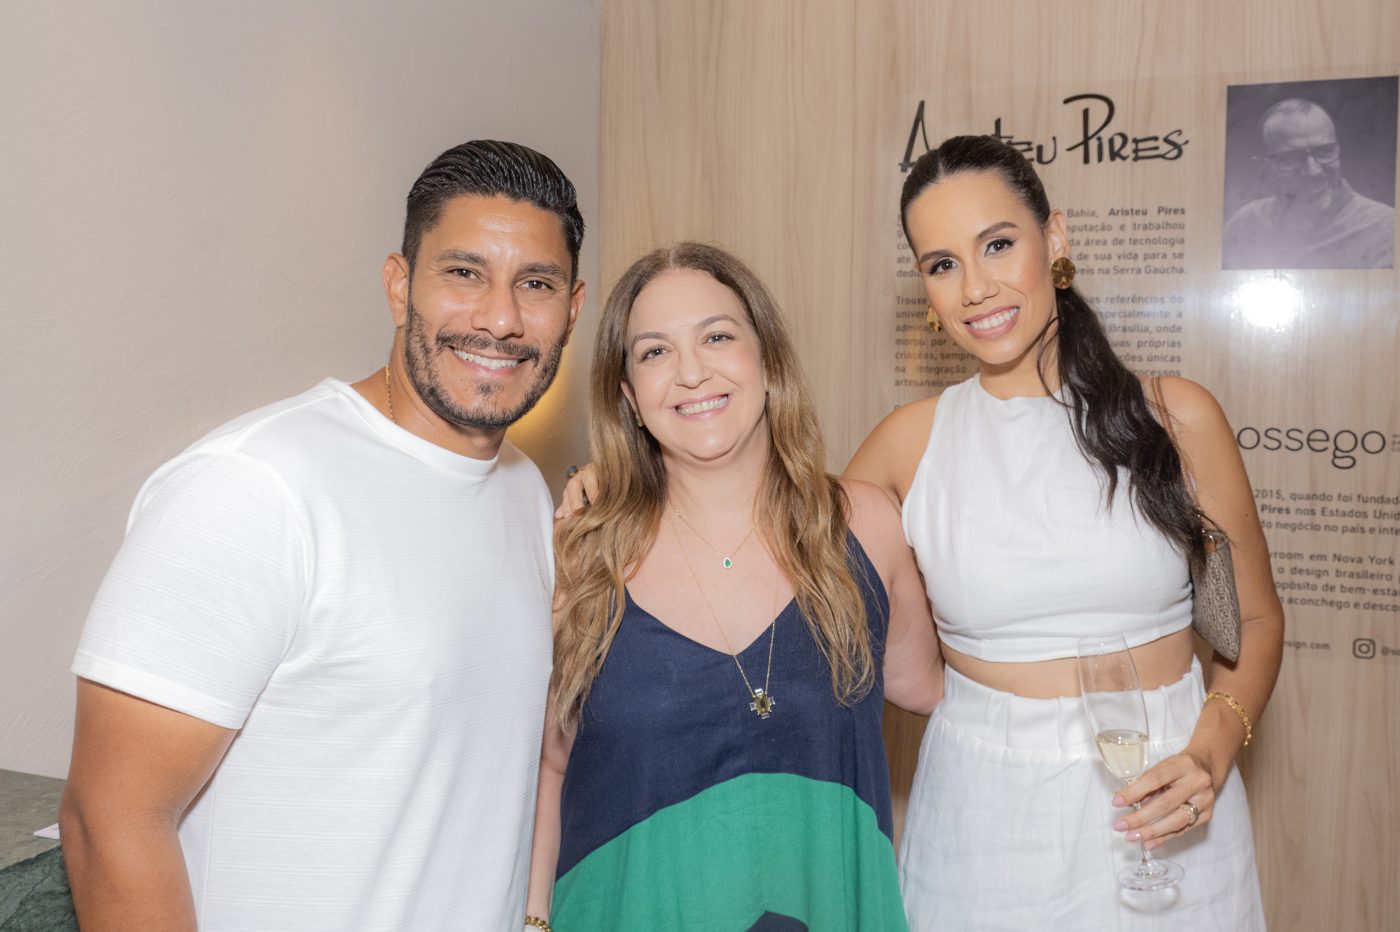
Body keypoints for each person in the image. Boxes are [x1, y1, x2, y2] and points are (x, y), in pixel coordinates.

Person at [59, 140, 586, 931]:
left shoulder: (519, 490)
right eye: (464, 273)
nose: (500, 319)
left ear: (572, 310)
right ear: (399, 286)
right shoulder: (254, 489)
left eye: (534, 285)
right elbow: (109, 824)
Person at [849, 135, 1282, 929]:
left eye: (999, 245)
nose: (976, 288)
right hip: (982, 821)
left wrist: (1210, 753)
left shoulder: (1175, 419)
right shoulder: (905, 445)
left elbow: (1248, 621)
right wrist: (630, 485)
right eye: (943, 265)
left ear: (1056, 239)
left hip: (1165, 807)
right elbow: (777, 549)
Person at [525, 243, 942, 931]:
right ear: (628, 396)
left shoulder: (866, 526)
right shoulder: (581, 554)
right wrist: (535, 922)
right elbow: (550, 765)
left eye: (717, 336)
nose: (692, 372)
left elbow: (942, 693)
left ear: (768, 361)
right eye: (654, 352)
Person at [1223, 97, 1395, 269]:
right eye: (1290, 158)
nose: (1313, 171)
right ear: (1262, 167)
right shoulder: (1244, 225)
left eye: (1325, 151)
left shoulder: (1387, 229)